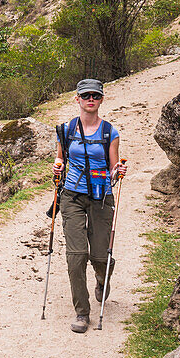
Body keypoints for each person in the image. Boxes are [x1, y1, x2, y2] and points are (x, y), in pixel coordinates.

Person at [52, 79, 127, 333]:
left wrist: (119, 171)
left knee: (98, 256)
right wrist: (57, 166)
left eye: (95, 95)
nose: (90, 99)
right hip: (72, 196)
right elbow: (61, 159)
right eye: (86, 96)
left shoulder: (109, 133)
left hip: (101, 196)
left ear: (101, 99)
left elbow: (113, 168)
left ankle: (102, 276)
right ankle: (82, 313)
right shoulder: (66, 130)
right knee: (76, 257)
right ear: (78, 99)